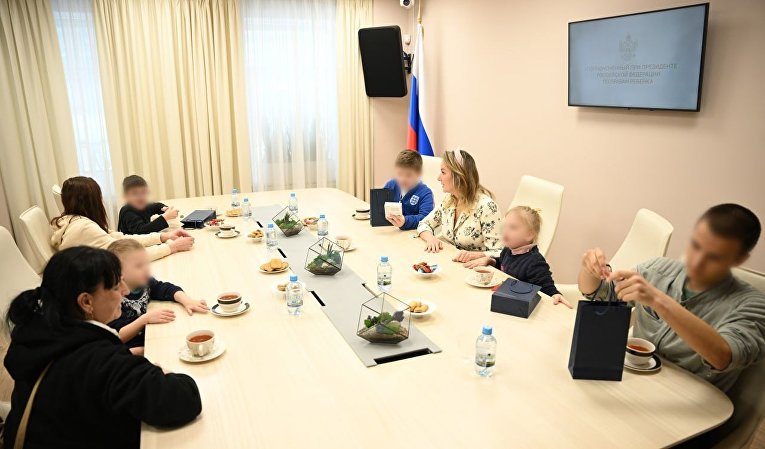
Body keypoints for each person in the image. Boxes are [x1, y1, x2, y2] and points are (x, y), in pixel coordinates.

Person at [3, 247, 202, 449]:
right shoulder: (100, 359)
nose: (125, 291)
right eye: (115, 287)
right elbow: (184, 400)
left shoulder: (38, 336)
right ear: (86, 302)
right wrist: (161, 373)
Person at [578, 203, 765, 392]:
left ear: (739, 259)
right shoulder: (657, 270)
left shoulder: (752, 305)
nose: (697, 261)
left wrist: (658, 301)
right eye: (696, 246)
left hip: (690, 403)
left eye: (714, 257)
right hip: (633, 386)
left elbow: (723, 357)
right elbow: (599, 295)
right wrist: (590, 270)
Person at [51, 176, 193, 261]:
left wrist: (163, 237)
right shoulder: (84, 228)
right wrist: (171, 247)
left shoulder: (74, 221)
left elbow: (121, 239)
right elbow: (126, 256)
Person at [107, 239, 208, 353]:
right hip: (128, 348)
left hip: (148, 337)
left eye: (146, 263)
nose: (146, 269)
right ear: (119, 273)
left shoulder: (144, 282)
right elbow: (118, 336)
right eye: (139, 266)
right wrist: (145, 319)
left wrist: (186, 301)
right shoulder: (114, 300)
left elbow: (165, 288)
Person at [466, 206, 572, 308]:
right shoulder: (508, 250)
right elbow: (504, 265)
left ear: (529, 235)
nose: (505, 231)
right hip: (506, 299)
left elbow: (547, 288)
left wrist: (555, 295)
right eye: (505, 226)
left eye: (513, 227)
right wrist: (492, 261)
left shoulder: (534, 262)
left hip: (522, 308)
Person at [417, 149, 502, 258]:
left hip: (473, 266)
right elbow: (424, 224)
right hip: (447, 259)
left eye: (443, 172)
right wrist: (431, 239)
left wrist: (477, 255)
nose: (438, 178)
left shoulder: (487, 207)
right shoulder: (449, 200)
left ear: (459, 176)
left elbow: (500, 252)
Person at [383, 150, 434, 230]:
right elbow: (380, 209)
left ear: (419, 174)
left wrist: (405, 221)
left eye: (408, 175)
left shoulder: (426, 193)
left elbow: (426, 218)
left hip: (412, 234)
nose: (403, 179)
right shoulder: (391, 185)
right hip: (390, 231)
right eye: (399, 174)